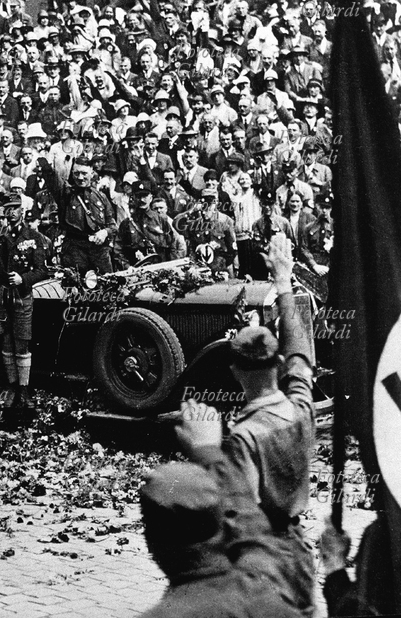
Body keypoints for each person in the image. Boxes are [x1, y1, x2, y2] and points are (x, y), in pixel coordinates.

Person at [176, 233, 315, 616]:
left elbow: (240, 510)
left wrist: (207, 453)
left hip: (264, 558)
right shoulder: (301, 407)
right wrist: (284, 284)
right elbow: (301, 356)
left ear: (235, 371)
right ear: (277, 366)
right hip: (300, 551)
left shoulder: (245, 436)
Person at [139, 459, 301, 618]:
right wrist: (209, 453)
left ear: (152, 544)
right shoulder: (266, 583)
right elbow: (256, 530)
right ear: (229, 529)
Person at [0, 198, 48, 410]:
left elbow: (42, 270)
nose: (11, 213)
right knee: (6, 340)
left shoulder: (34, 237)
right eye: (7, 209)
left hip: (22, 295)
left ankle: (24, 389)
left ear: (22, 210)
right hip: (2, 297)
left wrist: (23, 279)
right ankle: (12, 386)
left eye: (15, 209)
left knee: (22, 340)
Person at [38, 155, 116, 275]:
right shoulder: (65, 193)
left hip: (99, 252)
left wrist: (105, 232)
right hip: (75, 252)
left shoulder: (101, 197)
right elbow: (52, 179)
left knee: (107, 286)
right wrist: (46, 166)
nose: (80, 178)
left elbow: (112, 226)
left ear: (92, 172)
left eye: (84, 173)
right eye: (76, 173)